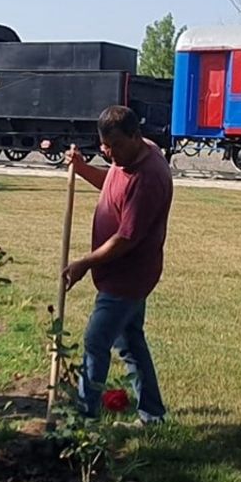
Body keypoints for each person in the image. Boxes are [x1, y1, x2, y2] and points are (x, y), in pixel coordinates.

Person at [62, 105, 173, 424]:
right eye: (105, 148)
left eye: (116, 147)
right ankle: (152, 413)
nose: (111, 155)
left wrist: (84, 262)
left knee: (96, 340)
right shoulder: (126, 158)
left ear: (136, 137)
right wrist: (83, 169)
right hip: (123, 273)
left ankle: (85, 416)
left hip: (128, 276)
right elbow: (112, 185)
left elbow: (126, 238)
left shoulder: (149, 176)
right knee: (131, 343)